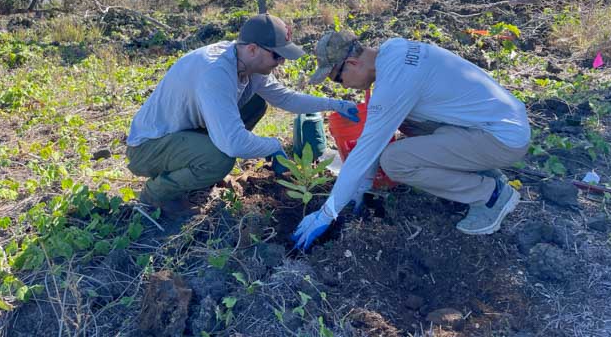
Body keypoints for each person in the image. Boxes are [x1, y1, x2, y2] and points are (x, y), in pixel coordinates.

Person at [292, 30, 531, 250]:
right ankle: (484, 172)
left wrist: (327, 213)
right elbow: (376, 135)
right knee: (405, 120)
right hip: (498, 122)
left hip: (502, 139)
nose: (343, 86)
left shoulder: (394, 84)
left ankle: (490, 195)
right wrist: (362, 188)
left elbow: (366, 150)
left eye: (337, 79)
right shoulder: (394, 50)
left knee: (396, 162)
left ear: (353, 63)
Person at [126, 14, 359, 217]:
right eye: (277, 56)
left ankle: (200, 169)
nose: (281, 62)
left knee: (256, 103)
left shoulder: (248, 64)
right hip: (149, 147)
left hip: (182, 135)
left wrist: (335, 104)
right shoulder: (215, 72)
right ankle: (157, 193)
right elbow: (233, 143)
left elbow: (284, 98)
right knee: (221, 158)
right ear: (253, 49)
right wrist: (272, 146)